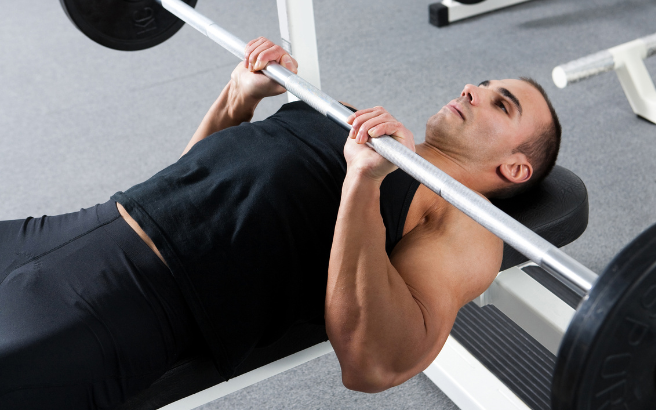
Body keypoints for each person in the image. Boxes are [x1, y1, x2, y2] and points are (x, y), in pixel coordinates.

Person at [0, 37, 561, 409]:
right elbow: (189, 182)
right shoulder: (357, 121)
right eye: (482, 84)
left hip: (131, 307)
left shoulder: (463, 224)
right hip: (80, 227)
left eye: (500, 104)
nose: (473, 91)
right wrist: (236, 98)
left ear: (514, 166)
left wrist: (362, 184)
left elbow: (375, 364)